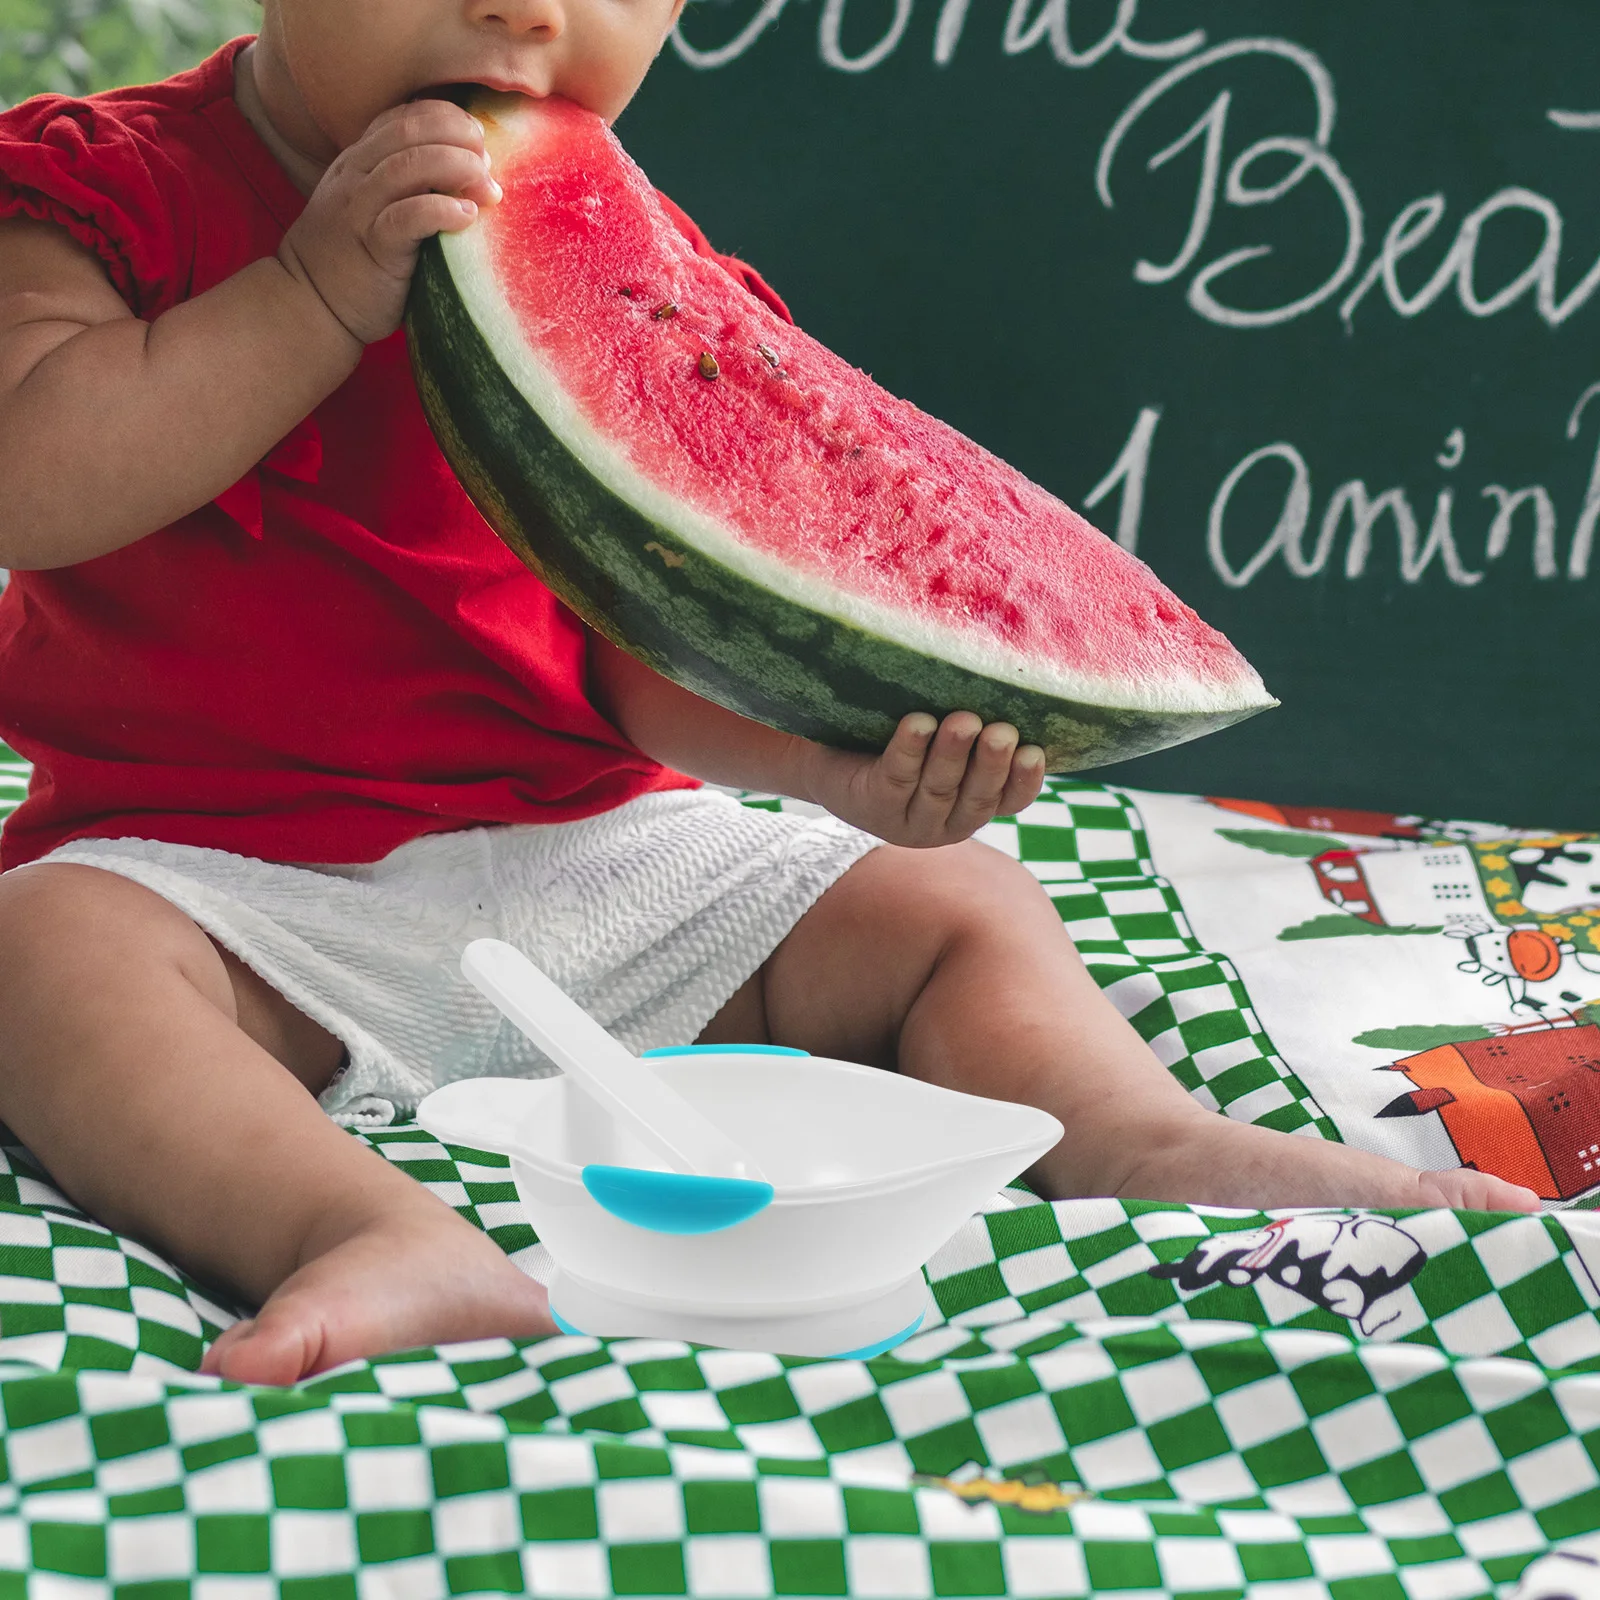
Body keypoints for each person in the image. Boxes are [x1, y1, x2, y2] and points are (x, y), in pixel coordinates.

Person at [0, 0, 1538, 1389]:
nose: (527, 10)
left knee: (962, 908)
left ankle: (1135, 1133)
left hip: (596, 859)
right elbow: (35, 474)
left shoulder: (634, 261)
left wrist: (837, 772)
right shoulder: (91, 186)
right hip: (230, 894)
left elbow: (630, 657)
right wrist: (308, 293)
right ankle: (362, 1230)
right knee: (39, 959)